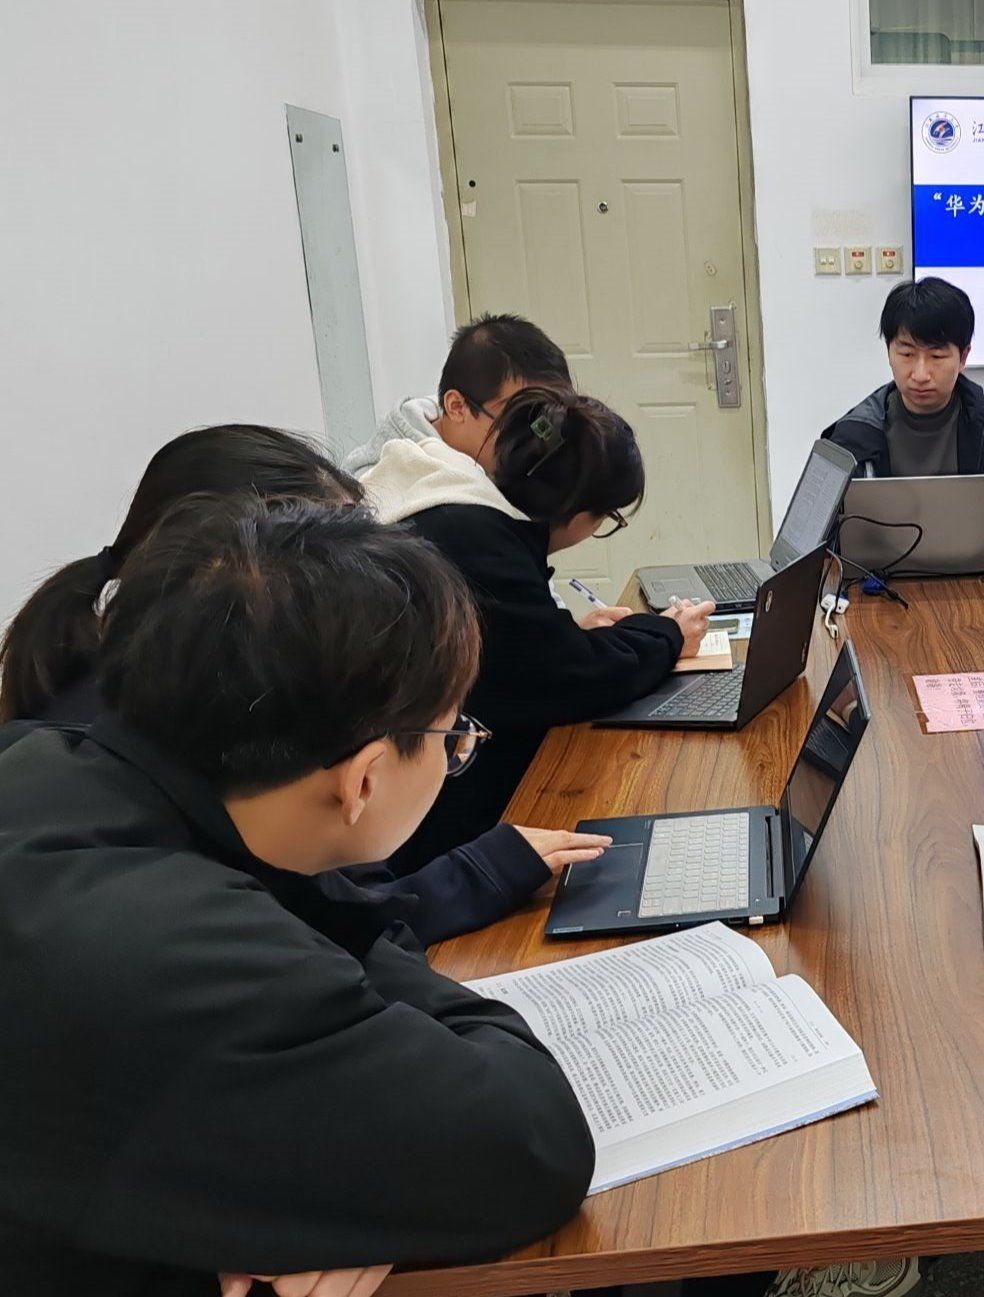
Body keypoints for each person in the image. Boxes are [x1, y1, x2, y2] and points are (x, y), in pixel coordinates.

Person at [0, 500, 594, 1296]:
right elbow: (533, 1142)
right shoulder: (195, 954)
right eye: (454, 736)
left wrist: (277, 1214)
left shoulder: (40, 763)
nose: (456, 752)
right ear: (364, 779)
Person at [0, 423, 612, 945]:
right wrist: (476, 875)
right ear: (236, 570)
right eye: (329, 557)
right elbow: (306, 933)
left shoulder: (151, 693)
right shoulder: (138, 752)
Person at [364, 386, 711, 870]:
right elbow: (570, 679)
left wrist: (563, 635)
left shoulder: (444, 490)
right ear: (580, 514)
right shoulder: (479, 541)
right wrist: (669, 635)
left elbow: (526, 654)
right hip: (421, 842)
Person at [824, 276, 984, 478]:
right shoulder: (852, 435)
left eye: (937, 356)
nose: (921, 375)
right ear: (889, 353)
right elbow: (815, 510)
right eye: (907, 354)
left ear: (963, 357)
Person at [342, 312, 573, 474]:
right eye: (516, 422)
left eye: (542, 423)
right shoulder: (382, 486)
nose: (533, 441)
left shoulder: (495, 459)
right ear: (457, 407)